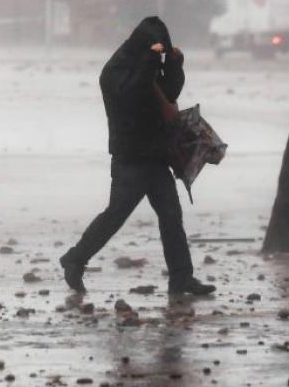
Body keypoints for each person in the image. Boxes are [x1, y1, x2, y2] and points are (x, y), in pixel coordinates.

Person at [60, 16, 216, 296]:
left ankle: (181, 278)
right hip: (130, 159)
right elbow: (133, 95)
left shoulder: (147, 64)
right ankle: (75, 259)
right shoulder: (115, 71)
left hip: (156, 157)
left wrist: (174, 65)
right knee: (114, 217)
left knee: (171, 217)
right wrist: (152, 63)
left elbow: (169, 94)